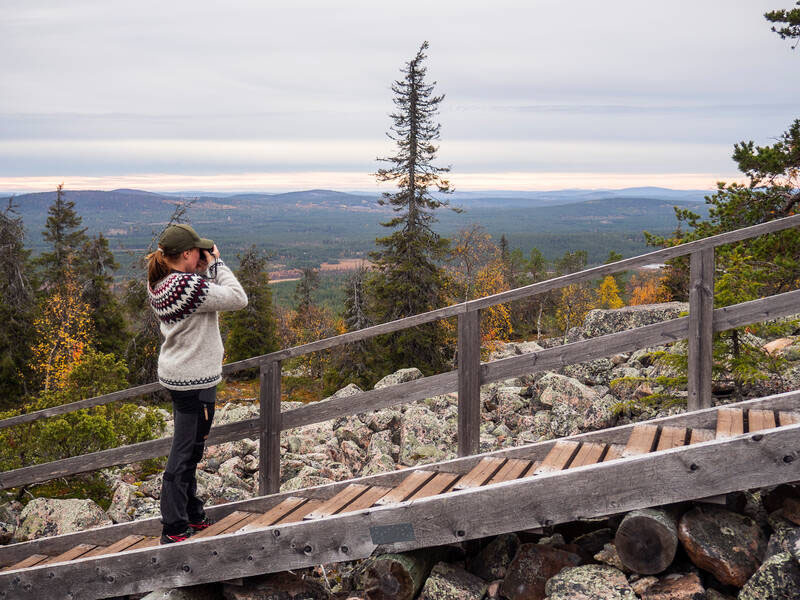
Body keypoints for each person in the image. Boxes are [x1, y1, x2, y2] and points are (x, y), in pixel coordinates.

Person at [146, 224, 248, 544]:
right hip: (193, 380)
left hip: (182, 376)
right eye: (198, 252)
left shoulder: (164, 282)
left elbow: (194, 295)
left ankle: (191, 512)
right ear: (187, 254)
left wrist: (201, 271)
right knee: (185, 450)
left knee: (192, 446)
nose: (203, 255)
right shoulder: (188, 287)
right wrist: (216, 265)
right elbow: (237, 298)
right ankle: (174, 525)